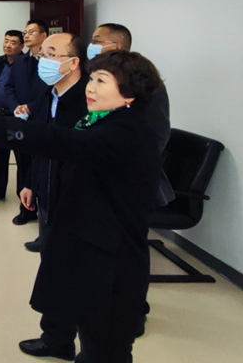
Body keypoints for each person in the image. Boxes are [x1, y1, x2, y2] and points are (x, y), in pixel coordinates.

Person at [0, 50, 163, 363]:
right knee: (90, 339)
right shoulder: (101, 120)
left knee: (106, 350)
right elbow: (61, 145)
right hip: (88, 249)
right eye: (91, 79)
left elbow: (60, 141)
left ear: (130, 93)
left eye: (101, 81)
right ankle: (60, 342)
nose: (90, 87)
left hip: (111, 263)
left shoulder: (128, 133)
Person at [88, 23, 174, 338]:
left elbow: (157, 134)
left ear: (117, 46)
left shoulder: (141, 82)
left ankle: (135, 313)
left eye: (98, 40)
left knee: (128, 251)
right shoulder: (99, 82)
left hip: (131, 181)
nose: (92, 44)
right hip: (103, 177)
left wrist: (133, 169)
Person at [20, 33, 88, 253]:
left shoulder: (91, 101)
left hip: (78, 202)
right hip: (47, 194)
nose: (44, 61)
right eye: (42, 56)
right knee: (49, 254)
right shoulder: (48, 96)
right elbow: (40, 145)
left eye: (51, 55)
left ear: (74, 62)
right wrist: (31, 183)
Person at [4, 20, 49, 224]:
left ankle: (45, 208)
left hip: (42, 119)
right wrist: (15, 106)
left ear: (44, 36)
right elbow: (9, 87)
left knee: (41, 162)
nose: (27, 35)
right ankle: (26, 209)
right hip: (18, 120)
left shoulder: (50, 62)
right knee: (22, 162)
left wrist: (31, 107)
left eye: (31, 32)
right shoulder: (20, 61)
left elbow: (52, 92)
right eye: (25, 32)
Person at [0, 30, 25, 204]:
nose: (7, 45)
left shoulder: (26, 64)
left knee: (22, 157)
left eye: (13, 42)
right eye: (6, 41)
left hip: (17, 117)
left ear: (21, 46)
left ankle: (23, 193)